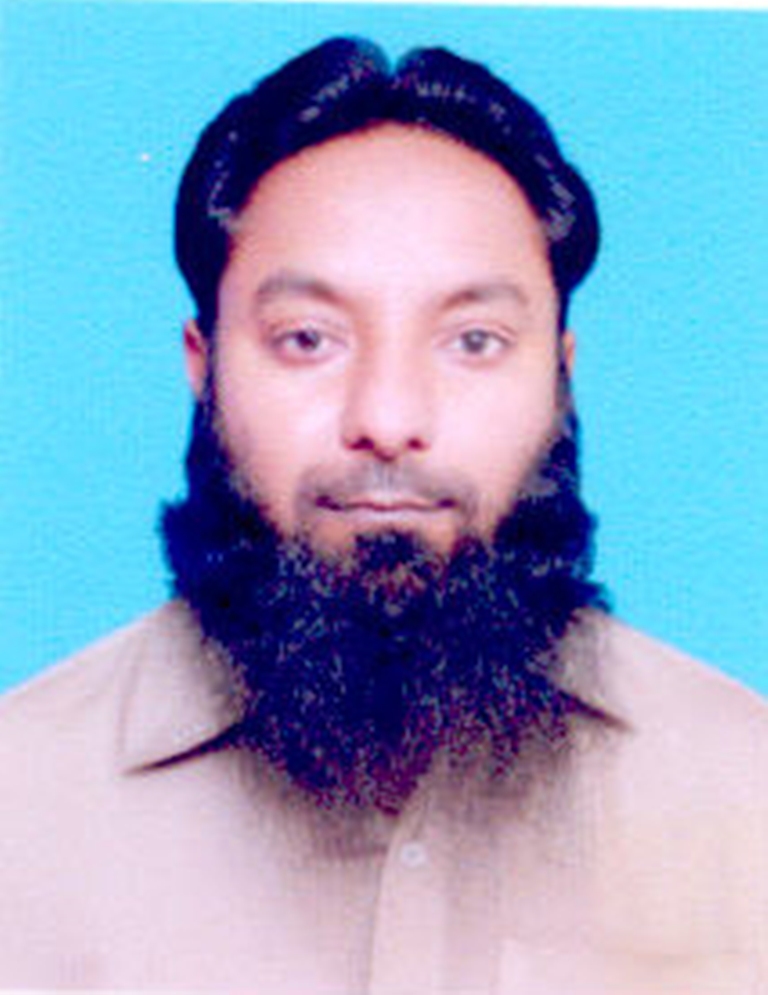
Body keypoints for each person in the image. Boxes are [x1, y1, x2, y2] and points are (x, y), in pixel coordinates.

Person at [1, 36, 765, 993]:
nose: (389, 418)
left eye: (473, 340)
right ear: (205, 365)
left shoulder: (748, 785)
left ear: (560, 373)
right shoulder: (19, 797)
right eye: (307, 339)